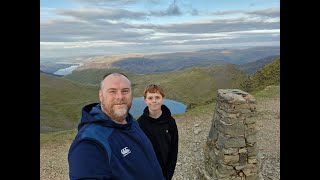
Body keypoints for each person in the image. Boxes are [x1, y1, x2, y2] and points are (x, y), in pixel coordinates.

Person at [68, 73, 165, 180]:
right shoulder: (89, 143)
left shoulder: (131, 122)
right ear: (101, 95)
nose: (120, 97)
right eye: (112, 91)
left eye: (125, 91)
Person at [137, 84, 179, 180]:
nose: (154, 101)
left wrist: (169, 174)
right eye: (150, 98)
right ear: (145, 100)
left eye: (157, 97)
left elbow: (174, 149)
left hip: (165, 172)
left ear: (163, 99)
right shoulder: (140, 124)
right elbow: (138, 152)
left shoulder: (170, 122)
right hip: (146, 173)